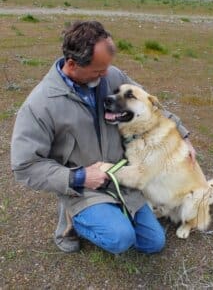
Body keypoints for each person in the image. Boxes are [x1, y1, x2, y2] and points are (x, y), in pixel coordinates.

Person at [11, 21, 194, 254]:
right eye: (98, 70)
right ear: (72, 64)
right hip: (81, 188)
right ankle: (72, 218)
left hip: (121, 178)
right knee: (121, 238)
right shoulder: (40, 105)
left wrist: (182, 135)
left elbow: (147, 104)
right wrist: (78, 177)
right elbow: (25, 166)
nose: (106, 75)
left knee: (153, 243)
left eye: (107, 67)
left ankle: (110, 214)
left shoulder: (110, 75)